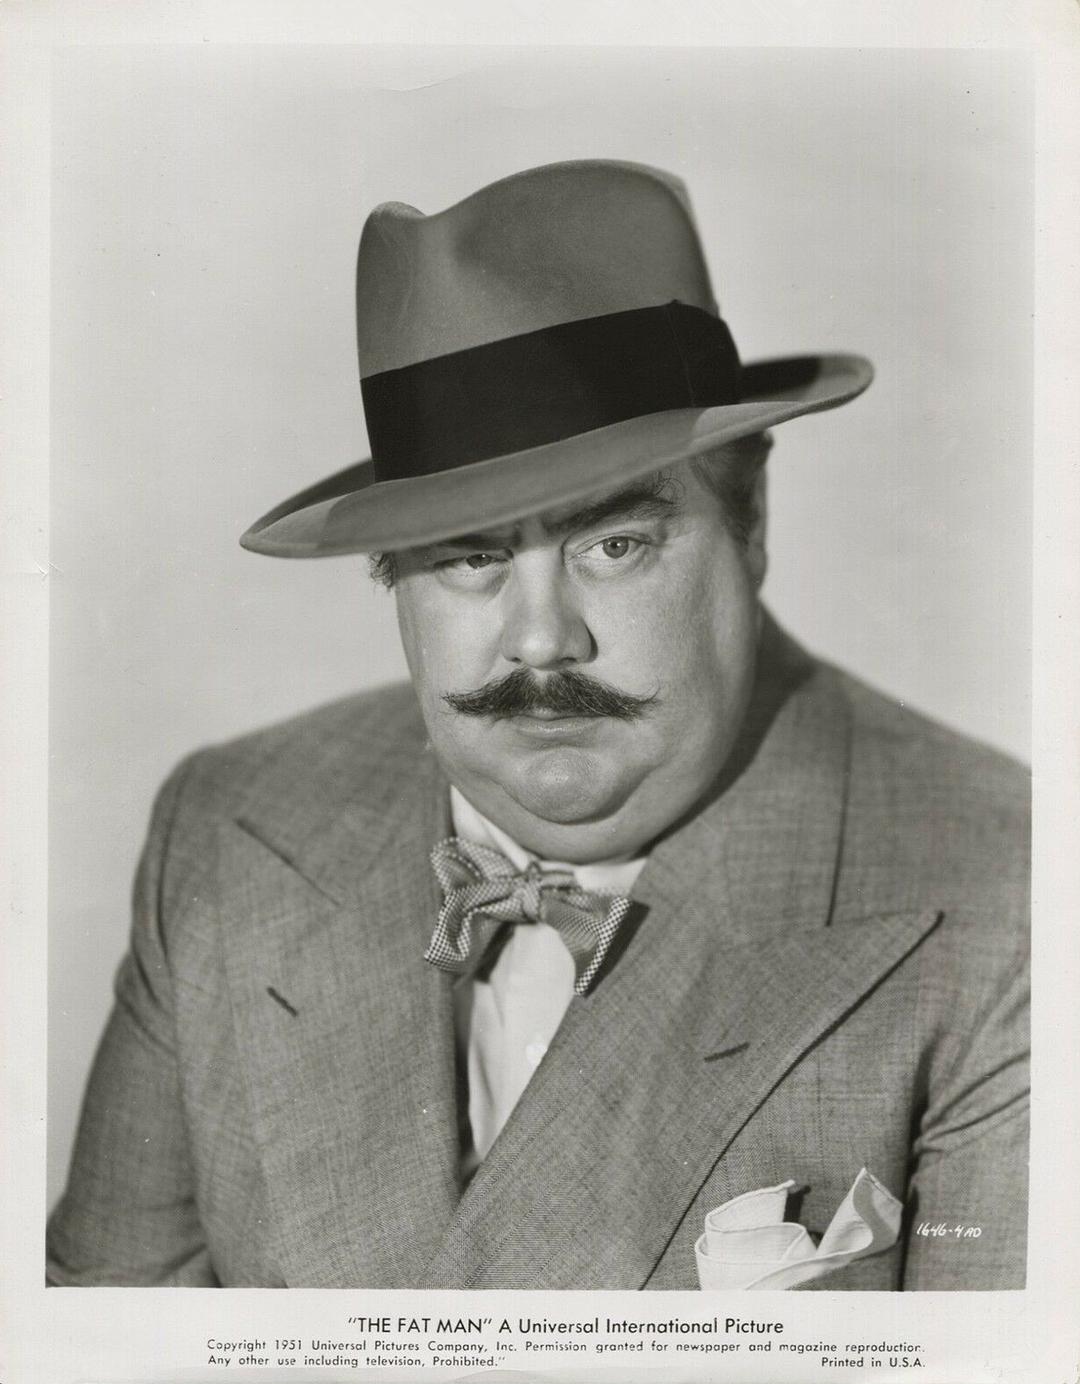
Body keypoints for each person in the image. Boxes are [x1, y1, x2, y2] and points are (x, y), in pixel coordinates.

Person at [47, 160, 1028, 1290]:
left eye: (615, 543)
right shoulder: (229, 833)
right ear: (393, 575)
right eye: (469, 556)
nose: (540, 642)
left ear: (750, 518)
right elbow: (107, 1340)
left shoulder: (1012, 898)